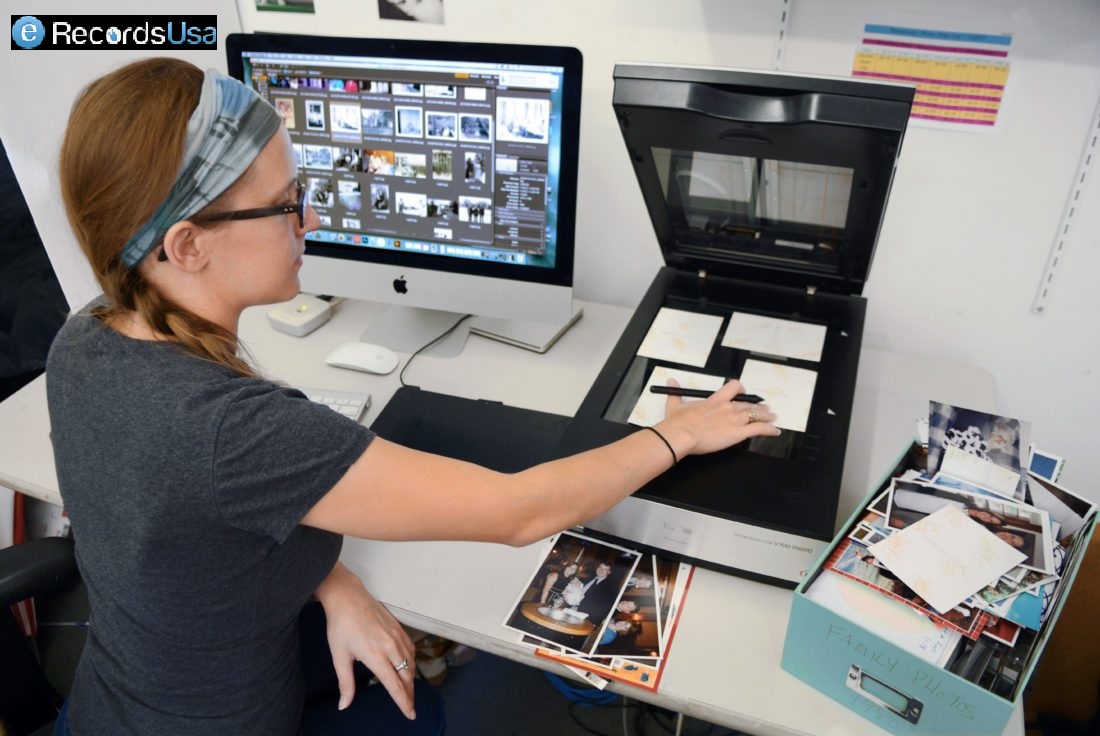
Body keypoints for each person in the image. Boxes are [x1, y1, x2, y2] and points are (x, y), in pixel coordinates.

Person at [48, 57, 780, 736]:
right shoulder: (238, 431)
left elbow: (195, 529)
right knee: (430, 712)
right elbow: (520, 512)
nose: (312, 220)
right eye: (286, 204)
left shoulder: (86, 337)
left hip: (111, 704)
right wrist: (677, 434)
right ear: (187, 246)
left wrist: (332, 580)